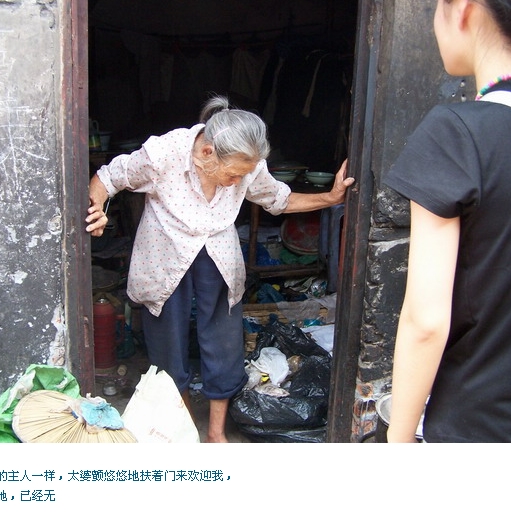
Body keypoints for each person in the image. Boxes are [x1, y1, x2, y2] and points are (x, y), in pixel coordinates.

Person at [86, 94, 353, 442]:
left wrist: (330, 197)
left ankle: (215, 434)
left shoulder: (248, 164)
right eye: (233, 174)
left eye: (244, 174)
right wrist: (98, 209)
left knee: (224, 341)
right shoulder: (163, 154)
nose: (238, 180)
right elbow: (107, 178)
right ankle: (185, 433)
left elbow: (278, 199)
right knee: (168, 344)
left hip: (219, 251)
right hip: (164, 252)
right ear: (207, 152)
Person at [383, 0, 511, 442]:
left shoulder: (458, 133)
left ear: (463, 10)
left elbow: (426, 321)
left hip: (480, 424)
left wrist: (398, 440)